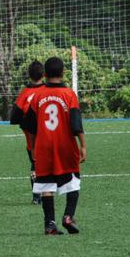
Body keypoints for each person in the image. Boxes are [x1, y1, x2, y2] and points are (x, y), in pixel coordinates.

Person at [24, 57, 87, 235]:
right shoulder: (69, 94)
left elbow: (29, 126)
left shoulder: (37, 95)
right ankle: (68, 216)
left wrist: (33, 147)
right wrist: (83, 145)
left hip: (44, 146)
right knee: (73, 181)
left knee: (46, 184)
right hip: (65, 144)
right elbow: (76, 124)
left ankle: (49, 224)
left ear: (45, 74)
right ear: (63, 73)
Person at [10, 60, 46, 205]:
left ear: (28, 75)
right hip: (50, 138)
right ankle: (48, 193)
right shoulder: (49, 91)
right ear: (44, 74)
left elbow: (14, 117)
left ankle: (36, 196)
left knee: (35, 165)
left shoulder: (25, 93)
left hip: (32, 142)